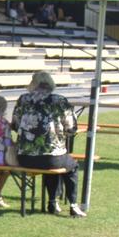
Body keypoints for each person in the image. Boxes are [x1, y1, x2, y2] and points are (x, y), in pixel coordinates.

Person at [12, 70, 83, 216]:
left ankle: (52, 202)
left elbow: (15, 125)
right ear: (50, 84)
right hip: (52, 158)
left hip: (25, 158)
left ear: (33, 84)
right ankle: (73, 205)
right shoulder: (59, 101)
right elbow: (71, 128)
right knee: (71, 164)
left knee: (53, 160)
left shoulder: (23, 99)